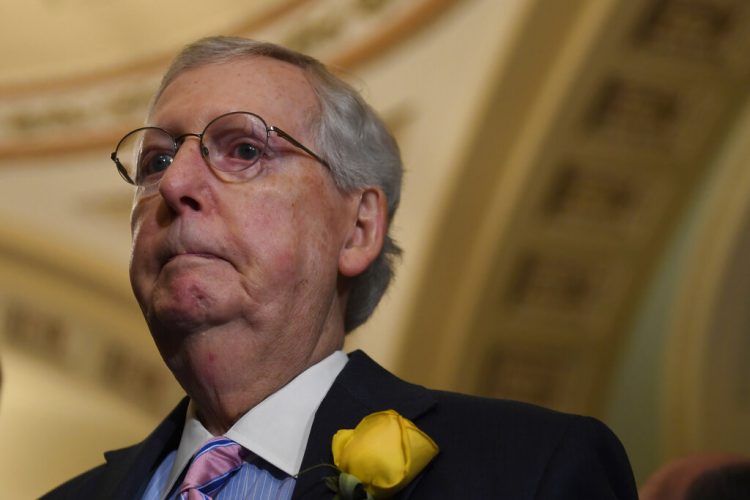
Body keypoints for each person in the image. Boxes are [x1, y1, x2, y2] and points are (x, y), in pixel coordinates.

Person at [42, 36, 637, 499]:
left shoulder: (529, 470)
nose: (174, 184)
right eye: (156, 159)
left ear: (357, 230)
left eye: (245, 149)